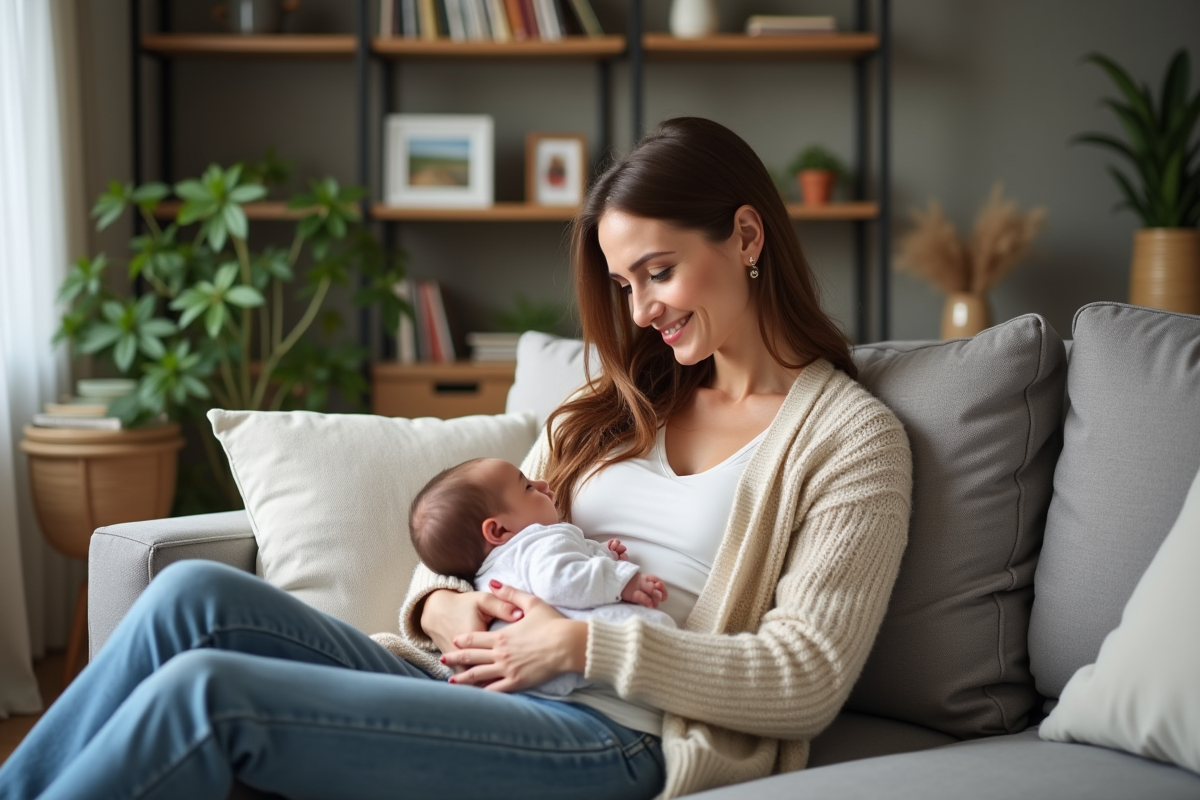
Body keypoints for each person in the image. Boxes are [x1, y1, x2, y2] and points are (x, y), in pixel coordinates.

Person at [0, 117, 911, 800]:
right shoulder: (611, 405)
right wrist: (445, 607)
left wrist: (581, 641)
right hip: (475, 676)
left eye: (659, 272)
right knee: (189, 597)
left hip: (611, 728)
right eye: (624, 284)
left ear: (746, 237)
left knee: (211, 694)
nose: (639, 312)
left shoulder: (849, 440)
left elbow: (806, 678)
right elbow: (470, 545)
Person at [408, 456, 675, 695]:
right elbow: (561, 581)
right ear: (499, 531)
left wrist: (603, 553)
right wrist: (623, 581)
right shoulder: (537, 539)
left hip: (505, 679)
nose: (543, 483)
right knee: (656, 625)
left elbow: (560, 567)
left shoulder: (488, 571)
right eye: (528, 487)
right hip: (560, 665)